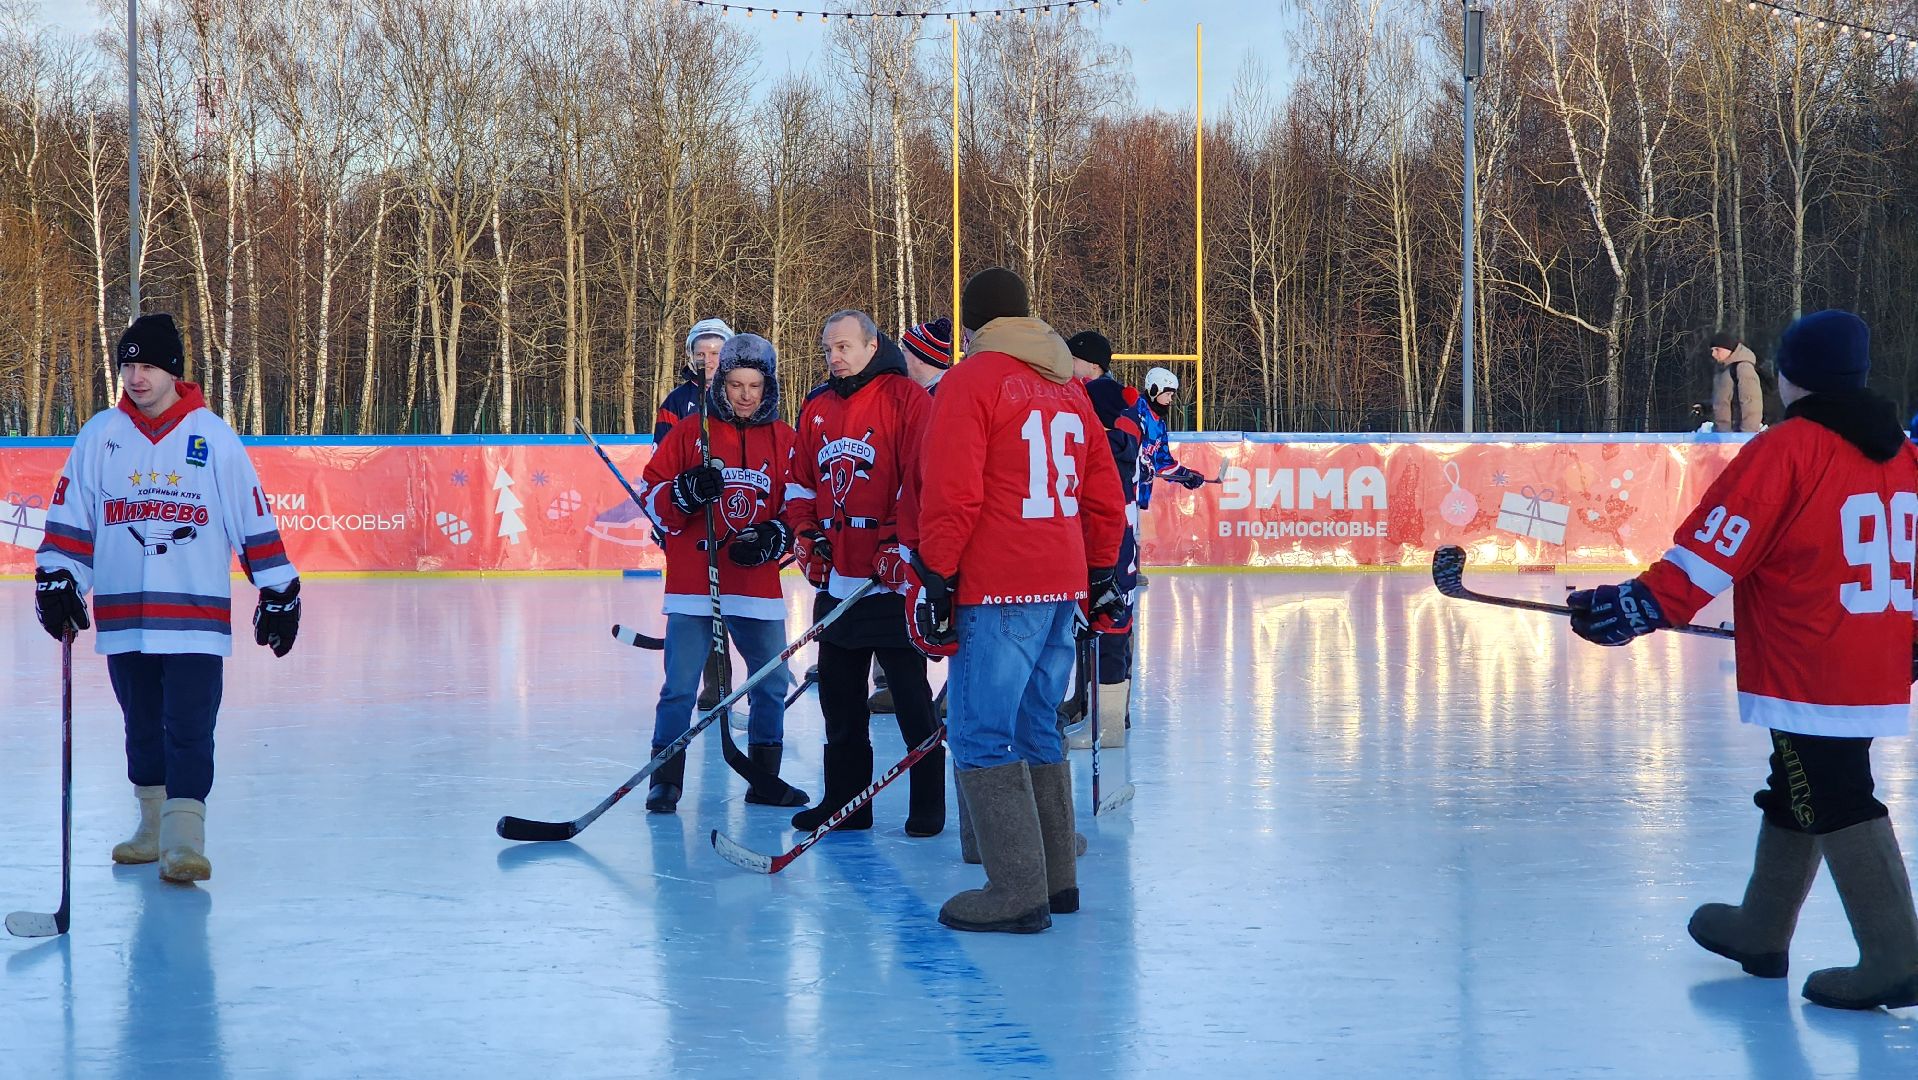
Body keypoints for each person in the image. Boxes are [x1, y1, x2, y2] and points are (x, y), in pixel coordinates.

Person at [1567, 309, 1918, 1011]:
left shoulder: (1788, 449)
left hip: (1811, 659)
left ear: (1791, 377)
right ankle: (1763, 927)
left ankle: (1894, 954)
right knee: (1800, 780)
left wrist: (1641, 606)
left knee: (1835, 789)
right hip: (1874, 654)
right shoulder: (1902, 453)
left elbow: (1716, 544)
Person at [34, 312, 301, 884]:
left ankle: (184, 839)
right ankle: (151, 827)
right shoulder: (99, 435)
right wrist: (56, 576)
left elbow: (251, 518)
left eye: (148, 365)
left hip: (194, 620)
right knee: (140, 722)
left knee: (188, 724)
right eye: (128, 364)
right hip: (126, 618)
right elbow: (72, 520)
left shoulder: (213, 437)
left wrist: (278, 588)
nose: (136, 377)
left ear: (174, 372)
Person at [912, 267, 1126, 934]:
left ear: (973, 327)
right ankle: (1057, 879)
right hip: (1060, 582)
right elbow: (1103, 492)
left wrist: (937, 577)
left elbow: (952, 490)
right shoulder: (1067, 386)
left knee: (979, 730)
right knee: (1037, 724)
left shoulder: (971, 380)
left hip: (999, 581)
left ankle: (1015, 890)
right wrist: (1096, 574)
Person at [785, 310, 944, 838]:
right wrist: (807, 537)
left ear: (873, 345)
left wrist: (895, 543)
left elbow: (920, 480)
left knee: (910, 698)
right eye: (829, 347)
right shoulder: (817, 406)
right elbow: (801, 484)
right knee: (839, 700)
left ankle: (928, 804)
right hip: (839, 584)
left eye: (845, 346)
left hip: (892, 584)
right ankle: (847, 802)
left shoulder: (907, 400)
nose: (835, 356)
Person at [638, 333, 806, 813]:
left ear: (768, 385)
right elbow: (651, 497)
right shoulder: (693, 430)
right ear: (722, 385)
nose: (746, 394)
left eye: (755, 384)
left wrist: (778, 534)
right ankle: (665, 779)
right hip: (696, 585)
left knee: (771, 682)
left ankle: (764, 777)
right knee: (679, 687)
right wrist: (682, 495)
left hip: (755, 587)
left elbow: (801, 505)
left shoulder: (785, 438)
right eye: (735, 383)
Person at [868, 317, 955, 716]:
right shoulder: (910, 396)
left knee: (943, 604)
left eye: (907, 353)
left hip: (933, 525)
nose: (900, 359)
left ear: (923, 359)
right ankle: (895, 679)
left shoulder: (942, 402)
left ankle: (953, 690)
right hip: (907, 521)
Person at [1060, 330, 1143, 749]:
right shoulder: (1119, 400)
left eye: (1072, 361)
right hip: (1119, 528)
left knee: (1107, 621)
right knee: (1109, 620)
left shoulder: (1098, 396)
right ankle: (1102, 714)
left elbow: (1111, 452)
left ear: (1091, 365)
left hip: (1107, 530)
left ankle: (1106, 723)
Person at [655, 317, 736, 713]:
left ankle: (741, 682)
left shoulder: (740, 394)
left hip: (734, 516)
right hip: (690, 519)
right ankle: (711, 684)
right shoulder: (675, 403)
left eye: (716, 352)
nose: (708, 360)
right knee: (697, 601)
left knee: (734, 597)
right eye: (700, 353)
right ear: (690, 356)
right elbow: (660, 466)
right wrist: (668, 509)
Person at [1130, 365, 1209, 515]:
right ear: (1154, 390)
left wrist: (1186, 475)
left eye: (1172, 395)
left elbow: (1162, 461)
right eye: (1167, 394)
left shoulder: (1159, 424)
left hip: (1139, 498)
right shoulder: (1136, 411)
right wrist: (1138, 466)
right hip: (1123, 493)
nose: (1170, 399)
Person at [1709, 330, 1765, 434]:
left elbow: (1751, 401)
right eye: (1712, 350)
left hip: (1737, 435)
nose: (1713, 354)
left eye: (1717, 350)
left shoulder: (1742, 367)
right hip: (1723, 435)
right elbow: (1723, 399)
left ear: (1728, 349)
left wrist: (1747, 435)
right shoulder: (1722, 369)